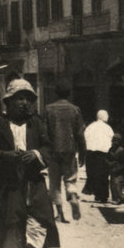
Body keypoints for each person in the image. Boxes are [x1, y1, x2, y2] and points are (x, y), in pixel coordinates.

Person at [0, 78, 60, 248]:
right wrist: (5, 156)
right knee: (13, 228)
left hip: (34, 184)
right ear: (9, 102)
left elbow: (50, 148)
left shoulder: (37, 123)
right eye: (19, 98)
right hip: (9, 185)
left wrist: (36, 154)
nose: (24, 102)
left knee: (37, 228)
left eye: (28, 99)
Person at [43, 84, 86, 222]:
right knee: (70, 179)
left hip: (53, 150)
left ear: (56, 93)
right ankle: (72, 196)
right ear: (69, 93)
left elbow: (44, 132)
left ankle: (60, 214)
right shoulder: (75, 109)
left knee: (54, 183)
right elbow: (80, 133)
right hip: (70, 149)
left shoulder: (48, 109)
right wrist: (83, 152)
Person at [82, 110, 114, 203]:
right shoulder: (108, 128)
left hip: (91, 153)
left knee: (93, 174)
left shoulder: (90, 127)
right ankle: (103, 195)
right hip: (104, 154)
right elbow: (111, 139)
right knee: (103, 175)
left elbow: (85, 137)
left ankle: (97, 194)